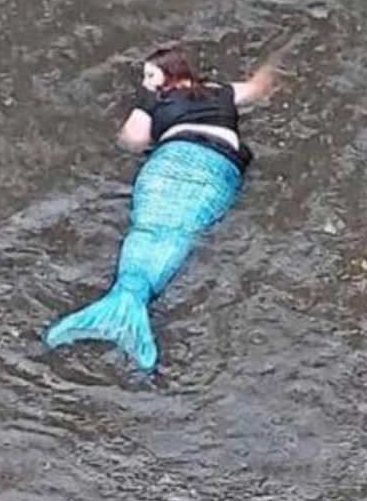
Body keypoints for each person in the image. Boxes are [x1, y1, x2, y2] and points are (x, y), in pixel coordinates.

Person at [44, 45, 278, 371]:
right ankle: (130, 303)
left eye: (149, 74)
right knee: (180, 229)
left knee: (150, 226)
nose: (146, 81)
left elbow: (132, 140)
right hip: (217, 167)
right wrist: (277, 61)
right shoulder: (218, 92)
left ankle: (125, 300)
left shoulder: (157, 101)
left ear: (171, 73)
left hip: (170, 162)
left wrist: (145, 101)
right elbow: (258, 88)